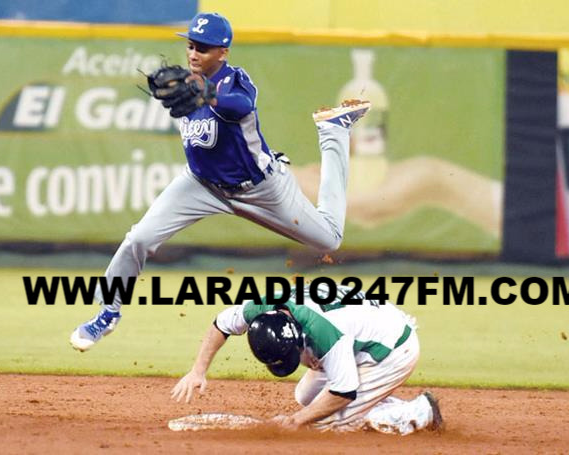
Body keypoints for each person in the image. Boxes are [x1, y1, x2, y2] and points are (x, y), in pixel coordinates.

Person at [69, 12, 371, 352]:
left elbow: (239, 106)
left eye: (204, 48)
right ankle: (108, 313)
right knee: (138, 238)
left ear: (223, 53)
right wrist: (193, 91)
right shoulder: (186, 85)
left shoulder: (235, 82)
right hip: (201, 185)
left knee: (329, 240)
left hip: (260, 189)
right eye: (191, 46)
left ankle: (333, 131)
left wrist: (207, 95)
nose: (194, 54)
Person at [170, 282, 444, 434]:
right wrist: (197, 371)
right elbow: (221, 324)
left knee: (331, 423)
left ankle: (420, 411)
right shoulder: (261, 308)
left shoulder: (323, 331)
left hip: (391, 349)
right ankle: (375, 401)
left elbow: (343, 390)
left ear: (299, 337)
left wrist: (296, 421)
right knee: (306, 398)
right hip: (360, 332)